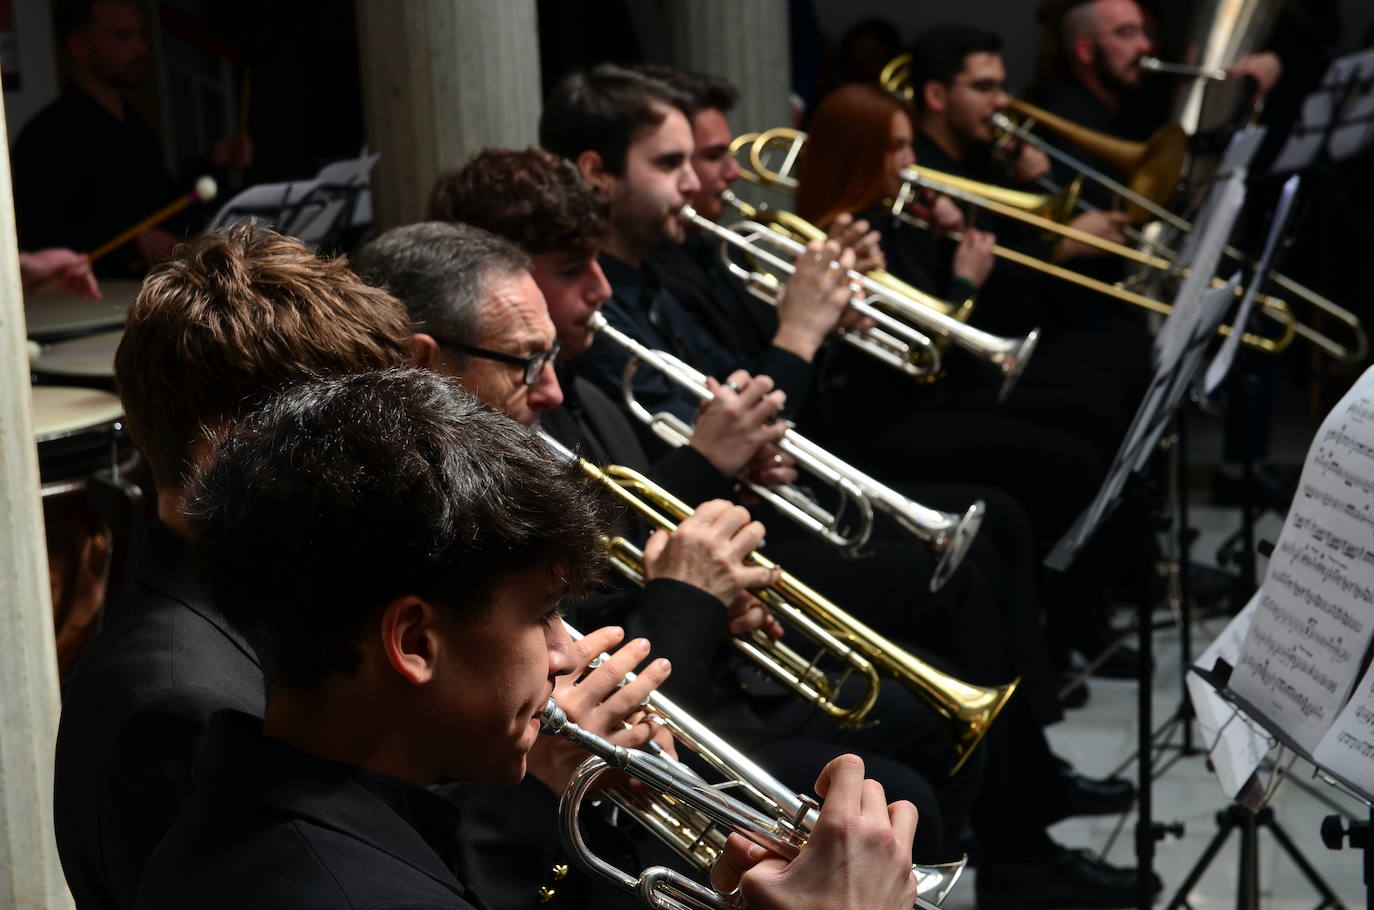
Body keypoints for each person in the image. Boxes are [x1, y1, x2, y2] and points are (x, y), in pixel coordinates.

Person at [409, 144, 1152, 908]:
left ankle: (1020, 834)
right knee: (901, 765)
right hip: (638, 717)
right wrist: (694, 566)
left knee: (928, 709)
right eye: (571, 271)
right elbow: (577, 613)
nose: (553, 387)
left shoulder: (587, 371)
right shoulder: (454, 487)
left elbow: (604, 571)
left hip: (680, 659)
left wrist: (714, 572)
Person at [135, 365, 922, 910]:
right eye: (542, 613)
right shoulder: (350, 887)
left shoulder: (247, 813)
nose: (566, 653)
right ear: (414, 643)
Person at [52, 225, 667, 910]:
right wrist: (532, 781)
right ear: (233, 457)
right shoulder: (180, 700)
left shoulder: (277, 606)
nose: (400, 454)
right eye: (356, 430)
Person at [11, 0, 250, 276]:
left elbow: (167, 212)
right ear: (80, 45)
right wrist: (133, 243)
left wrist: (215, 163)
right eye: (123, 36)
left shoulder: (136, 129)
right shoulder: (46, 136)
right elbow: (41, 243)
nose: (142, 49)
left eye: (141, 36)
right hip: (92, 298)